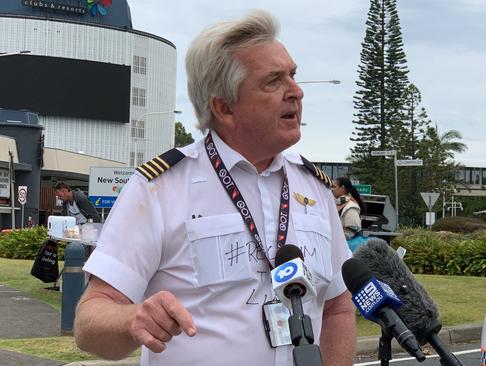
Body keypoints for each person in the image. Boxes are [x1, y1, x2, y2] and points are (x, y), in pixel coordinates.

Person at [74, 10, 356, 366]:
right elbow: (89, 324)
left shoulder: (314, 189)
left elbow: (337, 309)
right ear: (224, 108)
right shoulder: (160, 189)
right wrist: (133, 320)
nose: (296, 92)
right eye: (273, 81)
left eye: (293, 75)